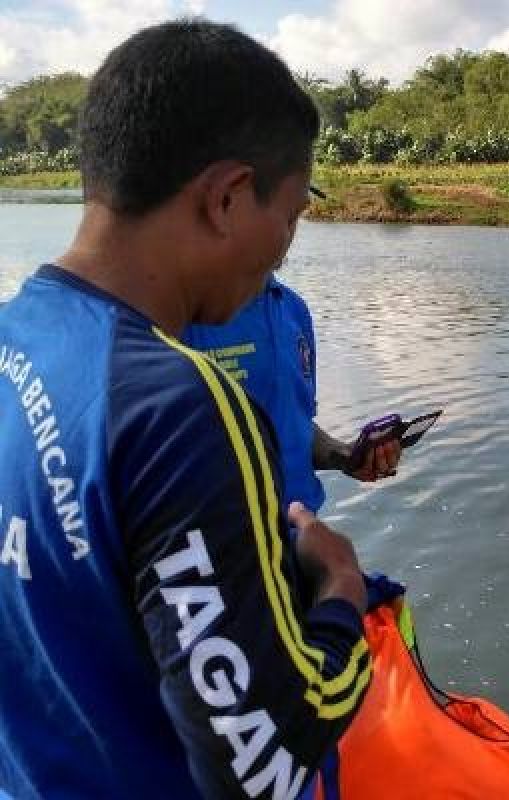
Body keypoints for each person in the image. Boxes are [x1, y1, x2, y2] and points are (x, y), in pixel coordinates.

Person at [0, 19, 371, 800]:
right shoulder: (179, 405)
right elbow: (261, 764)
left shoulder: (13, 339)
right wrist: (340, 592)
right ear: (229, 198)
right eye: (294, 215)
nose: (284, 245)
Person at [183, 276, 400, 512]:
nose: (289, 237)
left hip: (304, 527)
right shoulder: (186, 313)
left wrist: (344, 456)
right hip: (232, 536)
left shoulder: (293, 307)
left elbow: (293, 422)